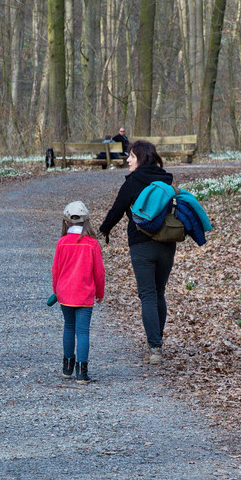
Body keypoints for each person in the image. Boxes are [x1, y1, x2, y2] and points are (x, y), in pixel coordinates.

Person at [99, 140, 177, 364]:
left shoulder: (133, 182)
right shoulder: (166, 180)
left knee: (148, 295)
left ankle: (155, 349)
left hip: (141, 245)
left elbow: (116, 210)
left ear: (141, 158)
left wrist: (103, 230)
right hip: (166, 244)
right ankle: (157, 342)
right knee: (159, 292)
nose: (128, 160)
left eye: (131, 156)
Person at [51, 200, 105, 383]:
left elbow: (56, 270)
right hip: (84, 294)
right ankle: (82, 372)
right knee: (83, 332)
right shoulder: (92, 244)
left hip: (65, 294)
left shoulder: (62, 243)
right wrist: (100, 292)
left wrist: (56, 290)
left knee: (68, 327)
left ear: (66, 222)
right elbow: (99, 272)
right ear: (86, 222)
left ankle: (67, 368)